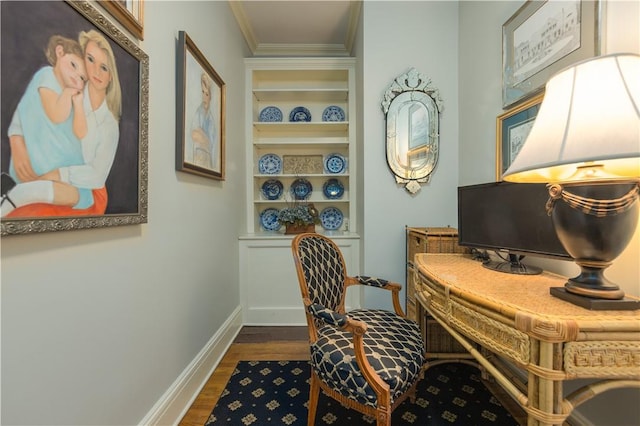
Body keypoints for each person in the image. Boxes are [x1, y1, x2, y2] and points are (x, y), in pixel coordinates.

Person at [2, 30, 121, 218]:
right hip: (47, 174)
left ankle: (17, 195)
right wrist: (16, 141)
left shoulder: (108, 124)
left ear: (111, 76)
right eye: (90, 60)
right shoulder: (63, 82)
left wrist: (57, 174)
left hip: (84, 186)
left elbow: (96, 175)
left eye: (104, 68)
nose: (95, 72)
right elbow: (29, 106)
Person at [190, 72, 216, 169]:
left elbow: (211, 143)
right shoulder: (198, 113)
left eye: (207, 94)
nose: (204, 97)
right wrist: (206, 140)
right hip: (198, 157)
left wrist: (204, 138)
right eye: (202, 92)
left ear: (210, 96)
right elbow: (194, 134)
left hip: (207, 159)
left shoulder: (211, 119)